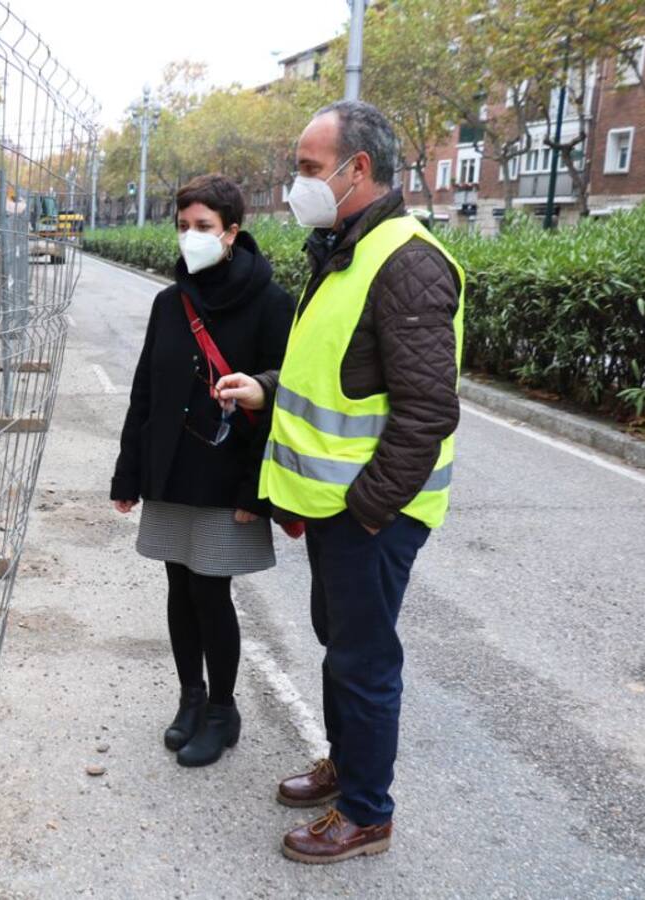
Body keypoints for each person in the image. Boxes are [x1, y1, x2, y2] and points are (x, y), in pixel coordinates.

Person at [217, 100, 464, 864]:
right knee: (340, 646)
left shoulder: (406, 261)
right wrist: (266, 388)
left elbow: (427, 411)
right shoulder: (344, 251)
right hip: (336, 508)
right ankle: (346, 764)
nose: (297, 185)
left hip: (372, 512)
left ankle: (365, 813)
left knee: (363, 660)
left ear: (358, 169)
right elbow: (333, 372)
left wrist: (368, 510)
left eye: (308, 168)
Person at [111, 174, 294, 768]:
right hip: (170, 470)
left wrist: (256, 492)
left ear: (232, 232)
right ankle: (190, 698)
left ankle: (222, 710)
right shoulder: (171, 303)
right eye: (183, 225)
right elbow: (144, 391)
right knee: (178, 587)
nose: (191, 236)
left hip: (228, 476)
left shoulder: (272, 303)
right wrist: (128, 474)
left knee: (211, 592)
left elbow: (284, 401)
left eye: (204, 226)